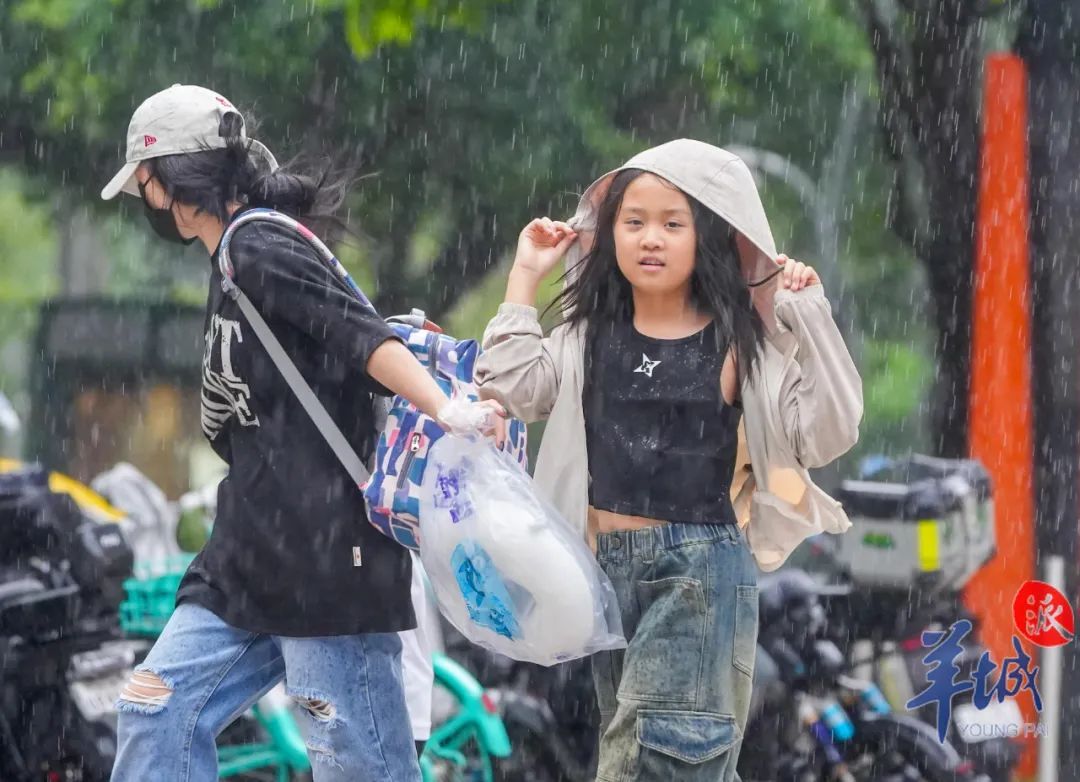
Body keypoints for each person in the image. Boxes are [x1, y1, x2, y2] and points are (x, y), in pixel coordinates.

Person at [101, 84, 503, 782]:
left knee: (358, 768)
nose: (147, 203)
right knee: (154, 713)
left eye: (144, 186)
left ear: (163, 179)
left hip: (324, 563)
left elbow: (363, 338)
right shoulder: (229, 256)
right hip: (246, 559)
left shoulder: (258, 246)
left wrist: (446, 408)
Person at [474, 139, 862, 781]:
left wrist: (807, 314)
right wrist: (525, 275)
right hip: (601, 576)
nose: (650, 238)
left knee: (653, 761)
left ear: (705, 234)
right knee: (672, 761)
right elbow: (512, 388)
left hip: (699, 574)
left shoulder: (743, 345)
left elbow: (827, 434)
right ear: (611, 234)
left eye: (671, 223)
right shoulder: (585, 335)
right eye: (634, 222)